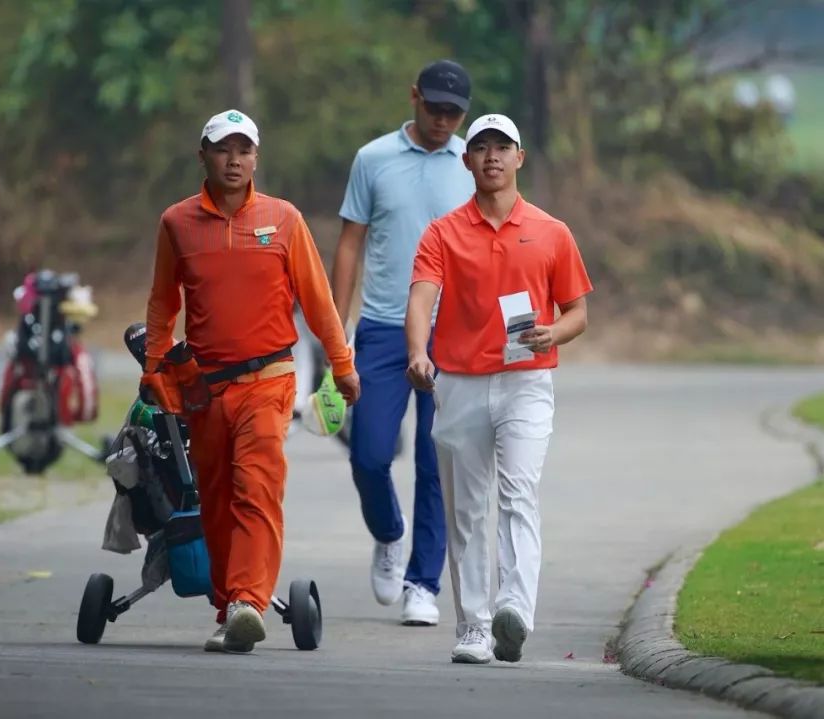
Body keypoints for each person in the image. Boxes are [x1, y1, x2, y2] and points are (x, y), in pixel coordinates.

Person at [144, 109, 360, 654]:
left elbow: (318, 300)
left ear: (256, 157)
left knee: (256, 488)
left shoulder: (284, 219)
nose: (234, 159)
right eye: (223, 149)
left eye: (244, 150)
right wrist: (153, 368)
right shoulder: (177, 222)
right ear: (203, 156)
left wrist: (342, 365)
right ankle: (228, 610)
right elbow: (162, 304)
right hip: (204, 387)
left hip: (270, 379)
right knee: (214, 499)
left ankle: (248, 602)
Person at [404, 113, 592, 664]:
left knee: (518, 492)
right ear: (466, 160)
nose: (491, 156)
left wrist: (551, 332)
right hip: (459, 382)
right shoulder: (443, 232)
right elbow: (421, 297)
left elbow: (578, 311)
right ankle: (472, 627)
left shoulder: (552, 231)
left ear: (519, 158)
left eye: (502, 147)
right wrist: (418, 352)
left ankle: (513, 608)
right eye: (481, 147)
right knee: (465, 509)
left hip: (527, 381)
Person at [331, 59, 475, 625]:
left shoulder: (473, 162)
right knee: (368, 453)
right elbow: (350, 245)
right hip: (385, 326)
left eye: (453, 112)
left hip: (452, 331)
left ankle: (423, 583)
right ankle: (389, 532)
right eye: (434, 107)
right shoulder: (373, 159)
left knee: (436, 461)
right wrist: (335, 327)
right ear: (414, 97)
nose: (442, 120)